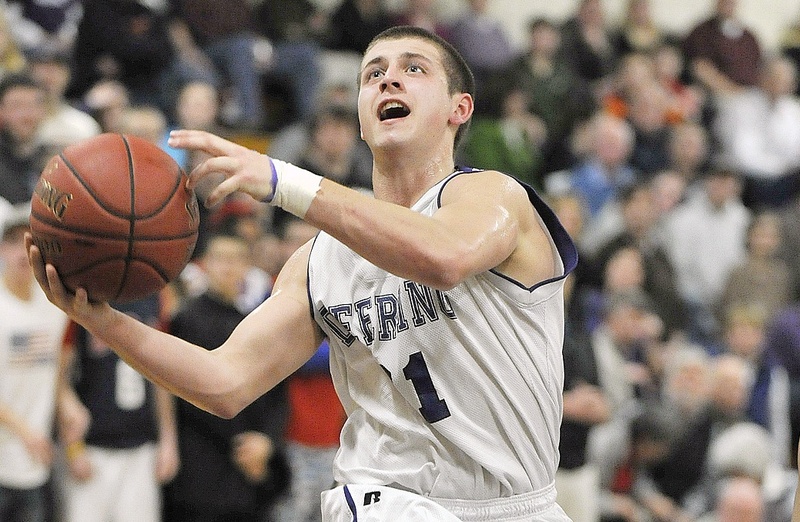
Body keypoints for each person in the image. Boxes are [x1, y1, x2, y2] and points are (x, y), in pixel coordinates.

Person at [27, 25, 578, 520]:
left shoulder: (493, 196)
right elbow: (224, 383)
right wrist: (98, 318)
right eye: (373, 73)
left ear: (460, 109)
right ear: (363, 117)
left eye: (414, 68)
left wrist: (282, 181)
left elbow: (444, 257)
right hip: (390, 502)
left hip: (522, 505)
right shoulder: (321, 260)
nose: (389, 80)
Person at [163, 233, 289, 522]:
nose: (227, 267)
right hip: (202, 462)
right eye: (220, 259)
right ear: (205, 264)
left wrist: (266, 442)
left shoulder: (254, 321)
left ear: (248, 266)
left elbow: (277, 391)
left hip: (252, 467)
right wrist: (241, 444)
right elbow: (186, 394)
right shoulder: (186, 319)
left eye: (236, 260)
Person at [56, 295, 180, 522]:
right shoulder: (83, 294)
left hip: (141, 450)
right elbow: (59, 377)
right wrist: (73, 447)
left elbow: (163, 379)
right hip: (93, 449)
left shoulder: (154, 296)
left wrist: (168, 440)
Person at [0, 205, 69, 522]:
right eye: (12, 242)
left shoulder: (53, 305)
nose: (20, 251)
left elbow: (54, 367)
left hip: (35, 457)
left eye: (27, 242)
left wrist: (67, 404)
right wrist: (24, 431)